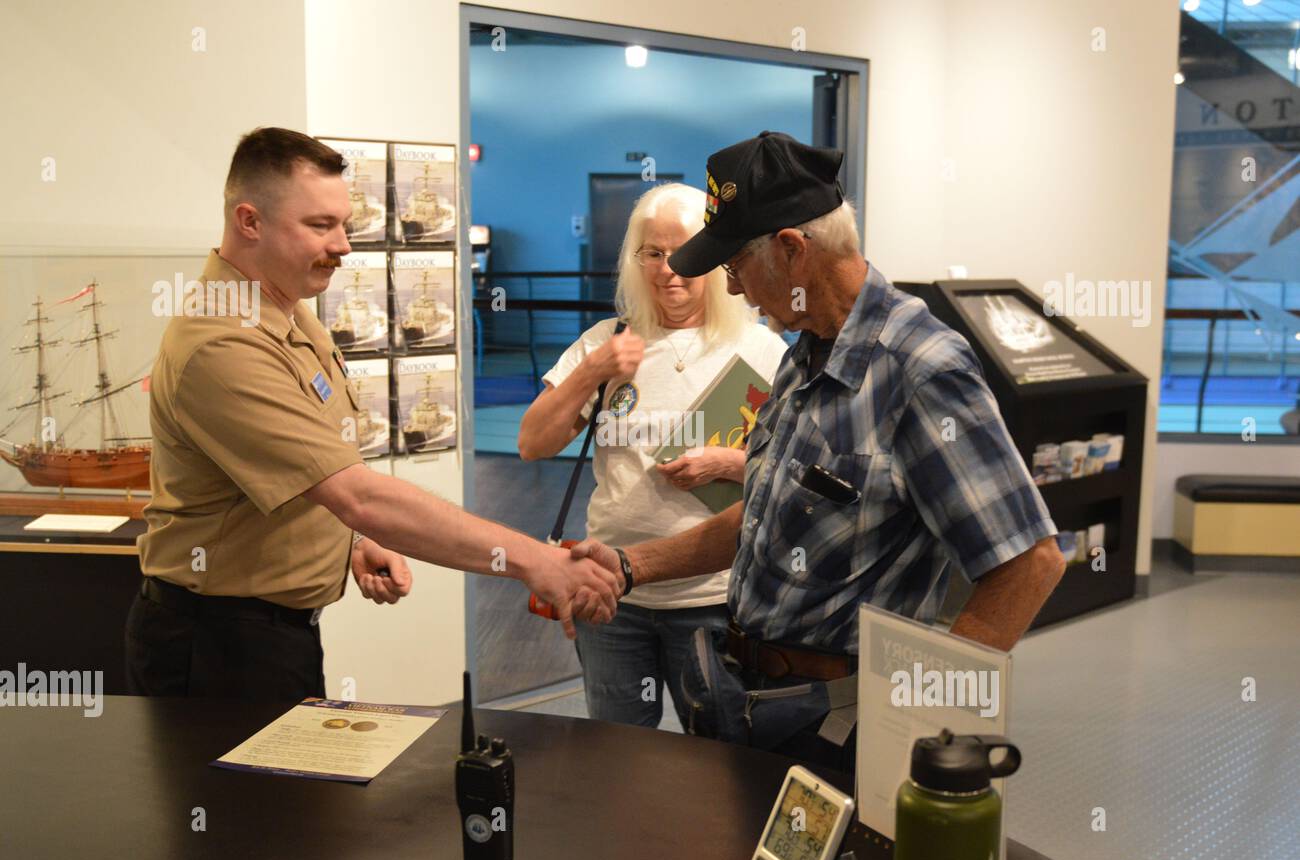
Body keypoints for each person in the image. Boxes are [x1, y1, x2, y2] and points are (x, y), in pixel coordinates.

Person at [569, 132, 1066, 771]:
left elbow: (1030, 562)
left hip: (840, 723)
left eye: (736, 266)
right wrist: (629, 564)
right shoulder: (805, 353)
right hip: (749, 701)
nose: (739, 290)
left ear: (792, 251)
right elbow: (762, 516)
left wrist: (921, 718)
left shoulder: (918, 368)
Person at [127, 127, 619, 701]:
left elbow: (301, 472)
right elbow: (357, 493)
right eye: (319, 225)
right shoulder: (224, 344)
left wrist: (350, 543)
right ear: (249, 222)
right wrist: (536, 560)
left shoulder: (288, 312)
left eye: (343, 224)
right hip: (217, 645)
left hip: (272, 632)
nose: (344, 246)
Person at [518, 182, 788, 728]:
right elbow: (532, 443)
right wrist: (594, 372)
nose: (669, 270)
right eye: (654, 254)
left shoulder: (760, 348)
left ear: (713, 259)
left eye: (685, 254)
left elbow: (792, 475)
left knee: (718, 760)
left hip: (713, 599)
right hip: (610, 596)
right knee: (619, 761)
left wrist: (728, 465)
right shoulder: (606, 342)